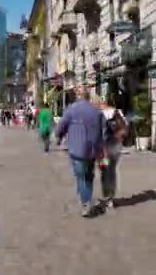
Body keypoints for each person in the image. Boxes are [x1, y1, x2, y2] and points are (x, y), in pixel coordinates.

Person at [55, 86, 104, 217]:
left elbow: (61, 127)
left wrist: (59, 137)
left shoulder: (71, 109)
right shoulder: (96, 111)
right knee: (89, 176)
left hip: (76, 150)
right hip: (92, 150)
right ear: (88, 96)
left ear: (78, 96)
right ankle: (86, 198)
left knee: (81, 177)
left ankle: (86, 203)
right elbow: (102, 131)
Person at [98, 98, 127, 210]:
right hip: (116, 150)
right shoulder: (118, 113)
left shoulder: (100, 114)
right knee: (112, 171)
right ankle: (111, 199)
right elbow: (125, 128)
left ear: (104, 104)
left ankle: (107, 196)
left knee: (104, 171)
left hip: (103, 151)